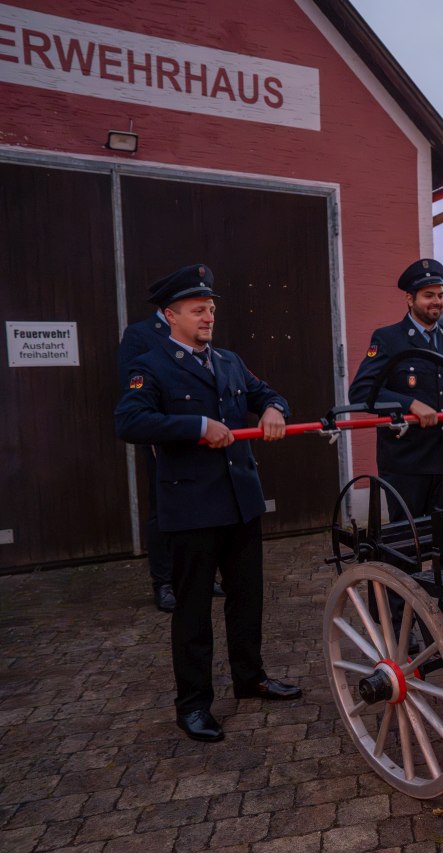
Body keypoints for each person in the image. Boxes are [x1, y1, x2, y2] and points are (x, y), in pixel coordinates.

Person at [115, 264, 301, 743]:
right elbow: (130, 422)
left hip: (241, 502)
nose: (208, 317)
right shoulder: (150, 365)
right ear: (169, 315)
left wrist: (275, 408)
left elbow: (267, 393)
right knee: (193, 611)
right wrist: (197, 427)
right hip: (192, 507)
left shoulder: (230, 361)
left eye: (211, 309)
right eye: (197, 310)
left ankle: (251, 678)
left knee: (248, 599)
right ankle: (193, 705)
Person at [348, 259, 443, 522]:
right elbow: (361, 392)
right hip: (407, 463)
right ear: (410, 299)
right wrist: (409, 404)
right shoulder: (388, 339)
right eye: (428, 295)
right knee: (408, 542)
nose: (437, 301)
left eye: (441, 295)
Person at [117, 294, 177, 612]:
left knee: (197, 507)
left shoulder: (194, 330)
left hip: (194, 433)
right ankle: (164, 583)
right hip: (161, 435)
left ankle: (196, 575)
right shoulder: (139, 334)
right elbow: (133, 386)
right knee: (162, 510)